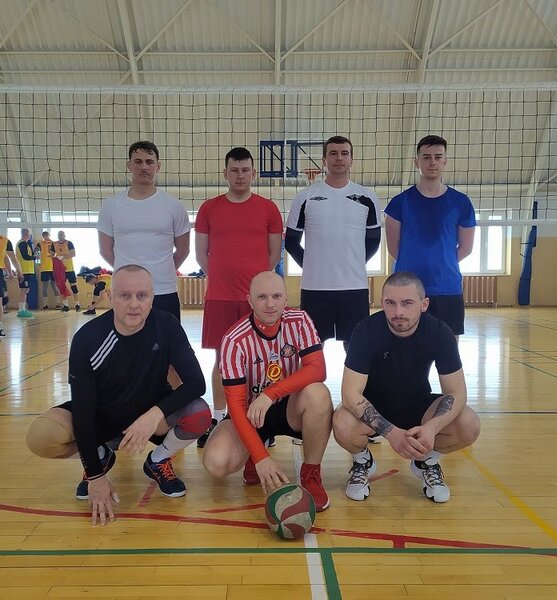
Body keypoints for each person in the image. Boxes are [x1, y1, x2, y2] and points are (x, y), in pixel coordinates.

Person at [25, 265, 211, 526]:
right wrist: (95, 476)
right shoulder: (88, 338)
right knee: (41, 437)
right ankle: (99, 456)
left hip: (150, 420)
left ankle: (158, 461)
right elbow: (83, 411)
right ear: (110, 297)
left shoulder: (166, 325)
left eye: (142, 295)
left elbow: (196, 383)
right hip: (103, 419)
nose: (134, 304)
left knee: (199, 413)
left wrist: (153, 415)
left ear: (152, 297)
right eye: (125, 296)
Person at [332, 271, 480, 504]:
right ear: (382, 303)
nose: (398, 311)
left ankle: (426, 461)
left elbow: (457, 393)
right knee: (341, 421)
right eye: (390, 303)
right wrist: (392, 433)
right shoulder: (365, 331)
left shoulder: (440, 333)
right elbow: (350, 394)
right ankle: (362, 461)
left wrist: (431, 429)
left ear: (424, 304)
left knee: (469, 424)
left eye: (407, 303)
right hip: (375, 405)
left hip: (419, 405)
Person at [203, 271, 332, 511]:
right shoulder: (233, 340)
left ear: (286, 298)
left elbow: (318, 369)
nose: (270, 304)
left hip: (288, 407)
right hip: (250, 413)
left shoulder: (300, 320)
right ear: (250, 301)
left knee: (318, 394)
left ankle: (311, 473)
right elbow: (236, 406)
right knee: (216, 462)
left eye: (276, 296)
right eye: (262, 297)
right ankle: (254, 453)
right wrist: (261, 457)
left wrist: (270, 394)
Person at [195, 147, 283, 447]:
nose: (240, 175)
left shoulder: (268, 209)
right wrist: (223, 279)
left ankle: (261, 419)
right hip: (220, 298)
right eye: (234, 170)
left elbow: (273, 256)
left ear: (254, 173)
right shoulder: (209, 208)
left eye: (245, 170)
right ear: (225, 173)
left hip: (257, 302)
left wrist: (256, 290)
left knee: (261, 360)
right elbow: (202, 255)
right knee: (222, 359)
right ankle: (220, 417)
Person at [285, 135, 382, 352]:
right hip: (315, 288)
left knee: (356, 348)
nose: (339, 158)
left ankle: (354, 379)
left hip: (354, 288)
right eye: (333, 153)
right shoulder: (305, 197)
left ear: (351, 159)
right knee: (312, 348)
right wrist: (312, 266)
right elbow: (291, 242)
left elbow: (374, 241)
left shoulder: (368, 197)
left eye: (344, 153)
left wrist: (353, 263)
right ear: (324, 160)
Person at [384, 135, 476, 338]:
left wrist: (441, 262)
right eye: (426, 157)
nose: (432, 162)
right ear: (416, 162)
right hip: (408, 291)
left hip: (447, 288)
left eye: (437, 157)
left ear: (445, 161)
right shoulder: (399, 203)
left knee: (448, 349)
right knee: (407, 350)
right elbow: (393, 248)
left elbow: (466, 248)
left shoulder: (461, 203)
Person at [97, 140, 190, 320]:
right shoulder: (111, 205)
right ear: (129, 165)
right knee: (126, 339)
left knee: (166, 338)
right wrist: (129, 274)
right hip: (125, 291)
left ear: (158, 166)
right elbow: (105, 250)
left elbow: (183, 250)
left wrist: (162, 270)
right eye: (138, 161)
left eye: (149, 162)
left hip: (163, 290)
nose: (144, 167)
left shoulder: (174, 206)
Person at [54, 230, 81, 312]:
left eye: (62, 234)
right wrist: (55, 258)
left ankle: (77, 305)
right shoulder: (54, 244)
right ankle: (65, 305)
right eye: (59, 234)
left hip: (69, 269)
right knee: (62, 287)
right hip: (60, 270)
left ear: (64, 235)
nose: (60, 236)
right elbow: (51, 254)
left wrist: (63, 257)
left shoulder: (69, 243)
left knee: (74, 286)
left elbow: (73, 254)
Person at [36, 231, 61, 310]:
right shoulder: (54, 243)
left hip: (45, 268)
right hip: (51, 268)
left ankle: (45, 305)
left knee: (46, 287)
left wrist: (38, 260)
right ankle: (57, 304)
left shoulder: (40, 243)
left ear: (43, 236)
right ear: (49, 235)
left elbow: (36, 254)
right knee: (53, 286)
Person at [15, 228, 36, 319]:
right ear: (27, 234)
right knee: (23, 290)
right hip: (24, 271)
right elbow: (25, 256)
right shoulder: (22, 243)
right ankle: (21, 310)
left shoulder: (26, 244)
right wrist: (35, 257)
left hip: (28, 270)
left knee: (25, 290)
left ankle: (23, 309)